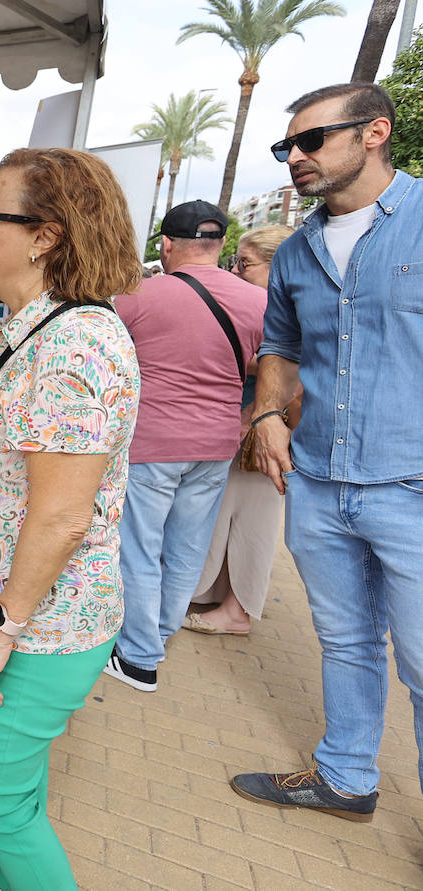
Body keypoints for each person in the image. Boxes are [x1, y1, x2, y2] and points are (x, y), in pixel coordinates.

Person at [0, 148, 142, 891]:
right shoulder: (37, 328)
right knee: (15, 782)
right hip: (13, 609)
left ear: (45, 235)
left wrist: (3, 625)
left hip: (35, 623)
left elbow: (65, 515)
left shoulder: (75, 343)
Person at [233, 83, 423, 823]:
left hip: (411, 482)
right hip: (317, 479)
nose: (295, 159)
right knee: (345, 639)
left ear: (375, 132)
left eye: (310, 141)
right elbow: (280, 344)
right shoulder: (298, 250)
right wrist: (268, 412)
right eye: (286, 148)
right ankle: (345, 777)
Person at [101, 200, 265, 693]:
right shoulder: (258, 301)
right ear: (220, 246)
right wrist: (245, 418)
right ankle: (158, 635)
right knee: (187, 549)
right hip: (216, 443)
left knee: (140, 547)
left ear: (167, 245)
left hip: (153, 441)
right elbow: (285, 367)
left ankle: (138, 656)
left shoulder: (137, 296)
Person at [186, 224, 296, 635]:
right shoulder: (274, 304)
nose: (236, 271)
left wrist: (252, 415)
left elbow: (290, 369)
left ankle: (238, 610)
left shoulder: (291, 306)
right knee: (230, 513)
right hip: (249, 421)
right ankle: (223, 597)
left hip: (262, 425)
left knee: (253, 520)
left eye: (245, 264)